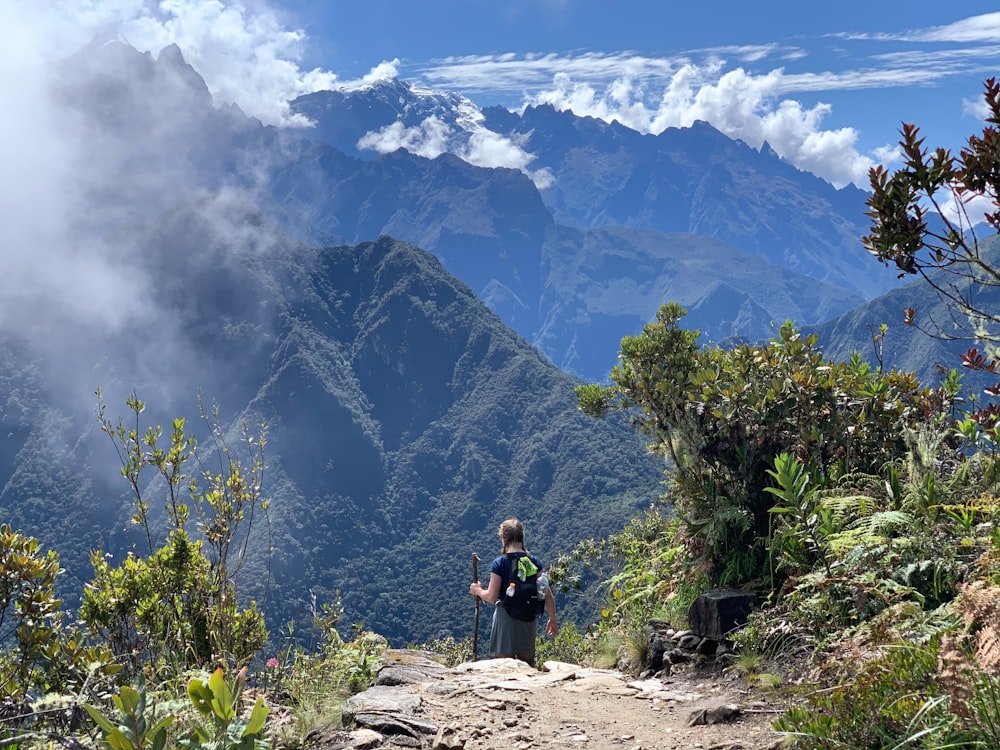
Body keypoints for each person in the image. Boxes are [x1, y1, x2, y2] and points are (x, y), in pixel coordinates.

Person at [469, 518, 557, 665]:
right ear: (521, 537)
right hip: (528, 619)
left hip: (505, 619)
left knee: (504, 665)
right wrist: (552, 619)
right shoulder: (534, 562)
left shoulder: (500, 563)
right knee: (527, 664)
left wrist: (477, 590)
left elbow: (491, 596)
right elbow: (546, 593)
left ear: (504, 539)